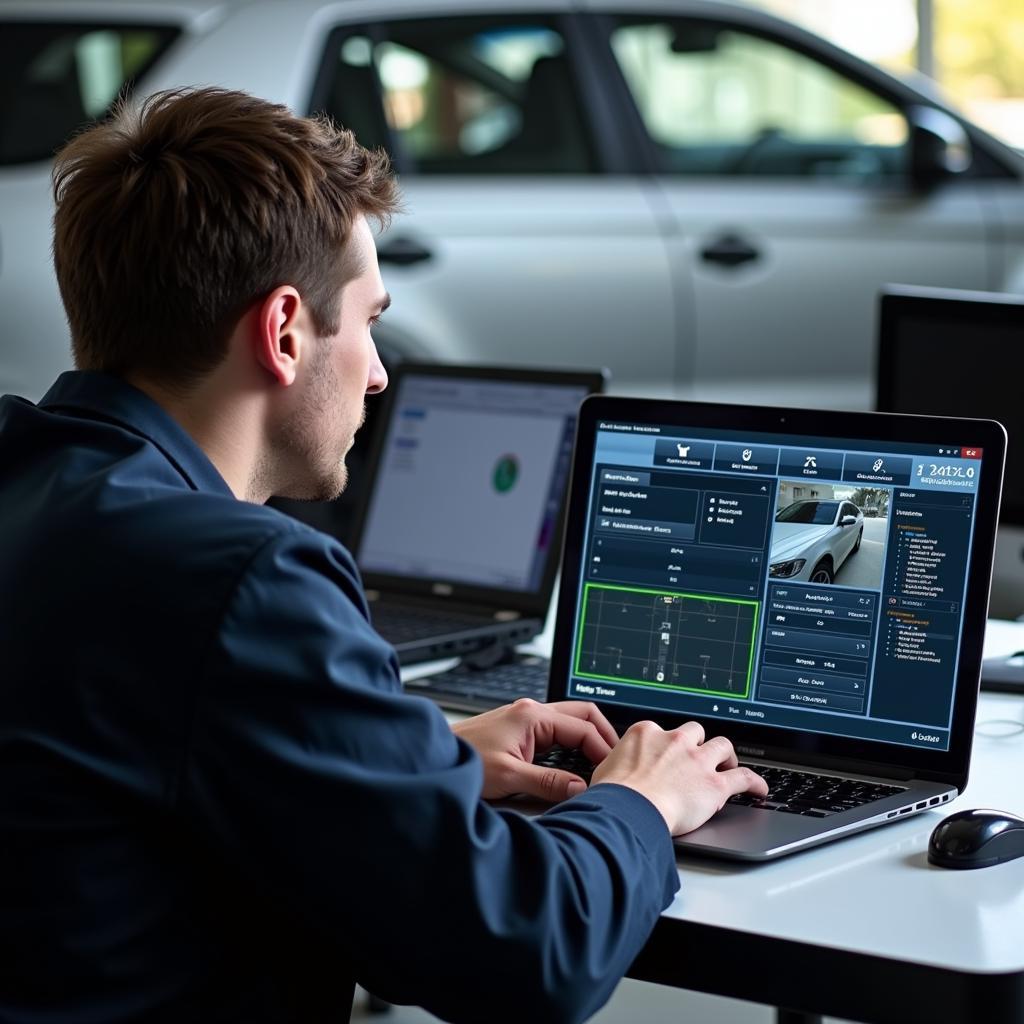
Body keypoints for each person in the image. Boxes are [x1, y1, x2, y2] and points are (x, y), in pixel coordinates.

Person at [0, 87, 766, 1024]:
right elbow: (530, 948)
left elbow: (134, 752)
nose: (379, 371)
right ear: (283, 332)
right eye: (367, 321)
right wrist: (642, 802)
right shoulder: (244, 579)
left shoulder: (26, 480)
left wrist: (416, 758)